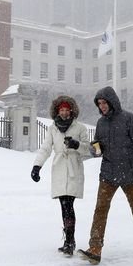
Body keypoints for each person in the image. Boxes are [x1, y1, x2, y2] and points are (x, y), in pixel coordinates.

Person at [78, 86, 133, 265]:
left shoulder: (129, 119)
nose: (102, 106)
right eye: (99, 103)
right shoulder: (100, 123)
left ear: (112, 101)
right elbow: (99, 148)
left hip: (130, 173)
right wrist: (94, 149)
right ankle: (95, 248)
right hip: (108, 173)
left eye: (104, 102)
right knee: (100, 209)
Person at [31, 95, 92, 256]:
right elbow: (45, 148)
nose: (64, 112)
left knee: (68, 205)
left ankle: (69, 241)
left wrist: (76, 145)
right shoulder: (52, 128)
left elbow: (88, 149)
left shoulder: (80, 128)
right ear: (57, 111)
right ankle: (69, 240)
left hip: (73, 168)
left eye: (67, 109)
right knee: (63, 205)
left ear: (71, 110)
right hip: (59, 169)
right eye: (61, 109)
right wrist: (37, 166)